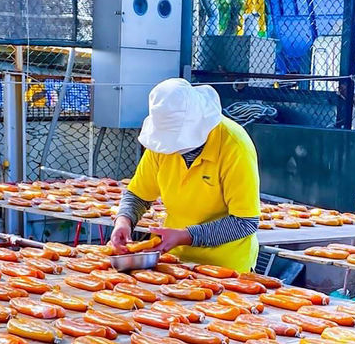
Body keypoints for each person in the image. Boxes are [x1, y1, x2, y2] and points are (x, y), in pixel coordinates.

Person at [111, 78, 260, 272]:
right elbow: (138, 195)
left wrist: (185, 236)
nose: (173, 150)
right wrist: (124, 221)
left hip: (227, 268)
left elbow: (245, 222)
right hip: (174, 261)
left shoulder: (234, 146)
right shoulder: (160, 146)